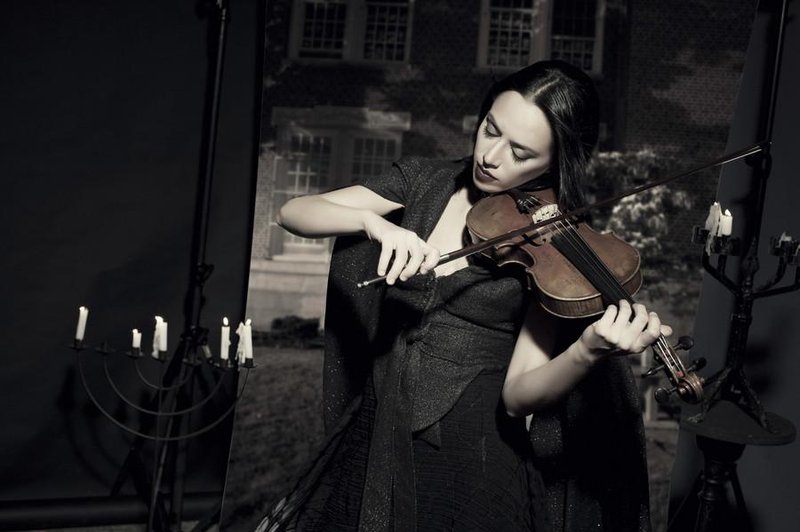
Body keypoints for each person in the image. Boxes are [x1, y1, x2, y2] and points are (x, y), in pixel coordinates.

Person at [257, 60, 665, 532]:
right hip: (376, 429)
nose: (492, 157)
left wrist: (587, 350)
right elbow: (295, 211)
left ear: (555, 162)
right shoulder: (424, 183)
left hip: (472, 458)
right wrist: (373, 222)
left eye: (521, 152)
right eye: (491, 130)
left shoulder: (553, 246)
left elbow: (517, 397)